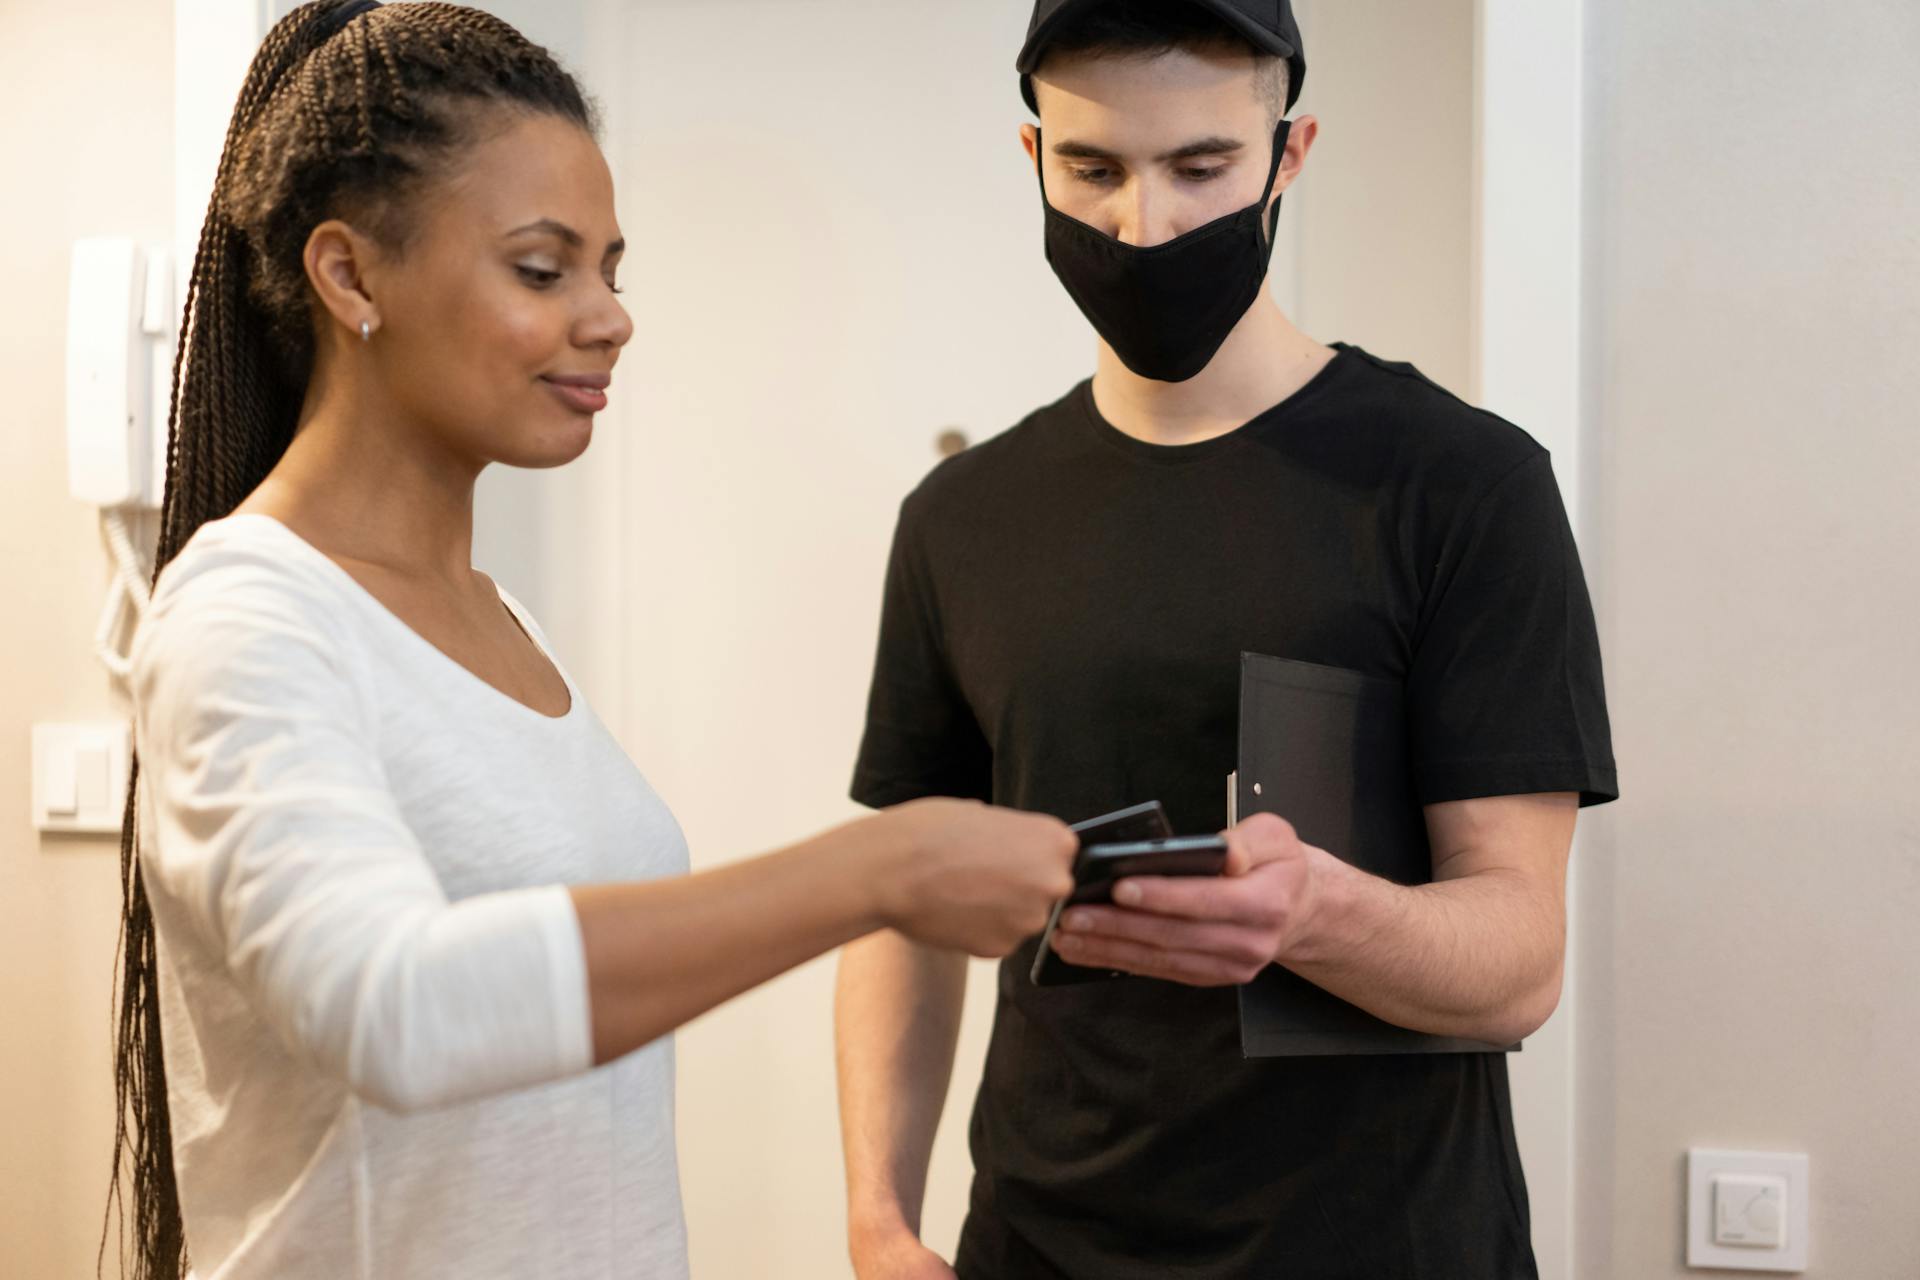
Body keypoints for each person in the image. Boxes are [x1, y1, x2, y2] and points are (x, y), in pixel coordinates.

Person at [106, 4, 1078, 1278]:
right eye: (542, 267)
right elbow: (397, 1005)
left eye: (611, 268)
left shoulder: (503, 624)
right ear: (350, 275)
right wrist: (877, 869)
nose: (609, 316)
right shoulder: (246, 616)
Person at [834, 1, 1618, 1277]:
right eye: (1095, 168)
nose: (1147, 226)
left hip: (1383, 1244)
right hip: (1038, 1241)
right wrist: (877, 1215)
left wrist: (1310, 909)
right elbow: (904, 899)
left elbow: (1518, 962)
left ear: (1289, 155)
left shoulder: (1462, 485)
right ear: (1032, 158)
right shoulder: (961, 517)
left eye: (1203, 166)